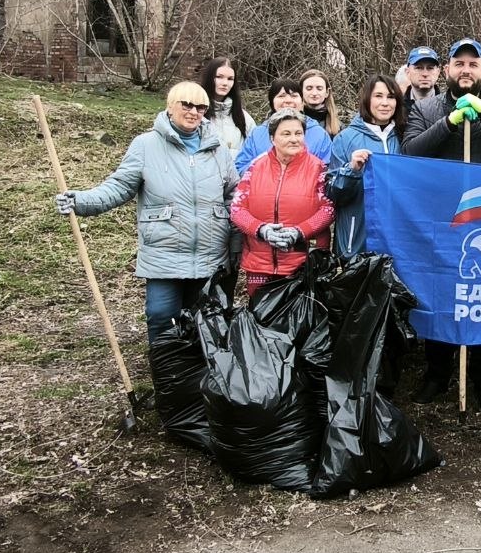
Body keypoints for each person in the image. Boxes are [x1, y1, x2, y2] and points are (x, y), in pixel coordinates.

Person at [53, 81, 238, 341]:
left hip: (210, 253)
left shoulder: (218, 150)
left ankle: (196, 367)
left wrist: (237, 241)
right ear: (170, 107)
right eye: (186, 104)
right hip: (164, 252)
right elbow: (119, 187)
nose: (193, 112)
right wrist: (80, 201)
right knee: (162, 316)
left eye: (200, 107)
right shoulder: (146, 145)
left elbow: (235, 198)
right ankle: (165, 365)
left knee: (204, 321)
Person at [402, 37, 481, 413]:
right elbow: (410, 152)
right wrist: (450, 122)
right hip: (441, 220)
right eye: (459, 64)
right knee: (441, 293)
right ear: (447, 70)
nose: (466, 70)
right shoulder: (425, 108)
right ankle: (437, 372)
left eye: (473, 64)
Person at [229, 110, 335, 296]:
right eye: (286, 134)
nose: (294, 139)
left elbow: (328, 209)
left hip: (304, 263)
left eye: (298, 133)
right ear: (272, 138)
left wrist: (299, 232)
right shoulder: (255, 167)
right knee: (259, 312)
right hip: (259, 264)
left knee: (302, 314)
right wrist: (261, 230)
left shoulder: (318, 168)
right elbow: (237, 208)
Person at [327, 74, 406, 257]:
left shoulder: (405, 136)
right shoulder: (345, 138)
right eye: (378, 96)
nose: (385, 103)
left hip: (398, 240)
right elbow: (332, 194)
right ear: (367, 99)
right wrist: (351, 170)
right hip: (357, 241)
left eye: (391, 97)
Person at [235, 78, 331, 175]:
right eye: (281, 96)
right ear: (272, 102)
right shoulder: (257, 134)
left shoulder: (319, 134)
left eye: (294, 96)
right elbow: (241, 167)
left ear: (302, 101)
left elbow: (329, 170)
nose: (288, 101)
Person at [198, 57, 253, 156]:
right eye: (219, 77)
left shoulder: (244, 118)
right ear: (209, 77)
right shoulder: (196, 113)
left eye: (230, 79)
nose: (225, 83)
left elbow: (254, 152)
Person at [301, 69, 342, 137]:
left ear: (327, 92)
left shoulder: (338, 127)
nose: (314, 93)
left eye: (319, 89)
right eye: (309, 88)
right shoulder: (292, 120)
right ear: (301, 91)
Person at [402, 45, 441, 115]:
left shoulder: (449, 107)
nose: (425, 74)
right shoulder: (396, 108)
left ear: (438, 72)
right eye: (419, 68)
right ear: (407, 72)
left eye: (430, 68)